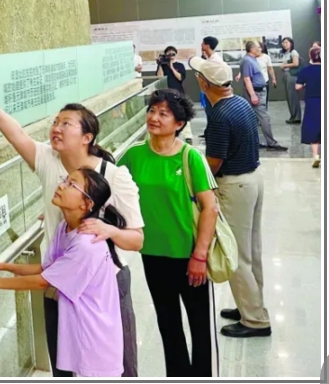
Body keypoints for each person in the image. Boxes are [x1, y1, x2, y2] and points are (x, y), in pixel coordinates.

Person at [0, 77, 144, 377]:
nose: (56, 128)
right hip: (60, 280)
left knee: (115, 367)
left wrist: (108, 230)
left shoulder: (112, 176)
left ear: (87, 137)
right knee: (65, 364)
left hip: (104, 285)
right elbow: (16, 134)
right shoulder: (49, 160)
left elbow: (137, 239)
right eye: (55, 122)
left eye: (66, 124)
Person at [0, 168, 125, 378]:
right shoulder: (65, 228)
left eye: (72, 185)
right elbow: (48, 269)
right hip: (82, 332)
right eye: (65, 180)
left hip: (95, 341)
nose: (61, 186)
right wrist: (4, 267)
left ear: (86, 204)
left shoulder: (86, 245)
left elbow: (44, 281)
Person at [118, 89, 220, 376]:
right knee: (168, 323)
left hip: (189, 256)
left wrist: (199, 255)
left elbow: (210, 207)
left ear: (179, 123)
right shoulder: (134, 156)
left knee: (199, 325)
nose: (154, 117)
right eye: (152, 110)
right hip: (152, 254)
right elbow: (107, 188)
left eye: (164, 113)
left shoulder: (190, 158)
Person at [189, 56, 272, 339]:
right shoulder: (239, 103)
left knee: (235, 253)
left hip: (235, 187)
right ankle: (251, 306)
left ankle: (255, 321)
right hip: (252, 179)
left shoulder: (220, 115)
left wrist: (195, 180)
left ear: (204, 83)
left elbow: (214, 162)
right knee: (251, 251)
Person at [240, 40, 286, 151]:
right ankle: (271, 143)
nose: (260, 49)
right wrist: (253, 95)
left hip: (259, 91)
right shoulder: (247, 61)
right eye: (258, 47)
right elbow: (247, 79)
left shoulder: (252, 59)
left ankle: (254, 142)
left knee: (254, 118)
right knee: (264, 117)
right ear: (252, 49)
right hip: (256, 93)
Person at [156, 46, 193, 142]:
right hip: (165, 93)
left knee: (182, 113)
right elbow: (159, 77)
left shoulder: (180, 65)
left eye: (173, 53)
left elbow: (180, 78)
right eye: (169, 53)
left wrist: (172, 67)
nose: (171, 55)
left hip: (178, 93)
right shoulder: (163, 65)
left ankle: (188, 136)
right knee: (167, 114)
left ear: (176, 54)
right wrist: (160, 64)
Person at [295, 47, 321, 168]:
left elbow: (297, 87)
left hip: (312, 102)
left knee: (313, 126)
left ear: (311, 56)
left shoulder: (305, 70)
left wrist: (306, 85)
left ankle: (316, 155)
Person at [279, 37, 302, 124]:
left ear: (291, 43)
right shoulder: (286, 53)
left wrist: (284, 66)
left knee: (293, 97)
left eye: (286, 42)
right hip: (286, 75)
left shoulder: (293, 52)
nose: (284, 44)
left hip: (291, 76)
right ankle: (293, 116)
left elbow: (296, 63)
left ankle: (296, 117)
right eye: (283, 43)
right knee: (289, 97)